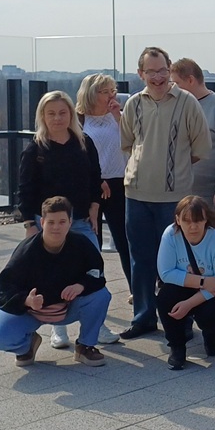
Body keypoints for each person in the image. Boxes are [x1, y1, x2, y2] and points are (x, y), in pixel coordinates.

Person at [119, 46, 211, 340]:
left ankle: (180, 321)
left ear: (170, 70)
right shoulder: (133, 104)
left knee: (177, 263)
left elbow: (201, 148)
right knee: (140, 260)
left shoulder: (187, 102)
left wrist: (174, 169)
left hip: (174, 199)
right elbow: (128, 143)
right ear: (140, 73)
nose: (157, 77)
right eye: (151, 71)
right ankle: (143, 317)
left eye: (162, 70)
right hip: (136, 195)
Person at [18, 90, 120, 347]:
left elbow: (95, 178)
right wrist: (30, 225)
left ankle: (96, 325)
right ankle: (59, 327)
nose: (57, 118)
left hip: (81, 221)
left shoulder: (84, 143)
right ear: (42, 116)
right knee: (52, 273)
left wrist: (95, 207)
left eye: (63, 112)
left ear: (71, 114)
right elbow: (25, 190)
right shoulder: (35, 149)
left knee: (93, 271)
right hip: (48, 225)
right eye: (51, 113)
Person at [0, 196, 111, 368]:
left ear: (70, 222)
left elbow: (97, 272)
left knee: (101, 295)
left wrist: (81, 285)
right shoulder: (26, 251)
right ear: (42, 222)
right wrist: (26, 300)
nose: (56, 227)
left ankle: (85, 346)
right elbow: (5, 289)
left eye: (62, 222)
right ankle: (26, 346)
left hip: (68, 308)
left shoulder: (81, 244)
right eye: (51, 222)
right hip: (32, 312)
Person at [156, 196, 215, 370]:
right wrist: (203, 281)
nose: (193, 227)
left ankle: (212, 333)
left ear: (206, 219)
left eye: (198, 220)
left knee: (212, 310)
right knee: (165, 297)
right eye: (187, 221)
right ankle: (177, 346)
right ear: (178, 220)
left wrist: (188, 304)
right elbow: (166, 273)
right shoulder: (170, 235)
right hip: (193, 285)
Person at [171, 57, 215, 241]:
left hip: (211, 195)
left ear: (190, 80)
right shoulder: (177, 108)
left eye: (176, 83)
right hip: (181, 192)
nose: (172, 88)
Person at [76, 74, 132, 287]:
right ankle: (93, 287)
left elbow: (134, 140)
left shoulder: (120, 116)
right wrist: (97, 179)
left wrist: (118, 116)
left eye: (113, 91)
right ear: (92, 94)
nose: (111, 96)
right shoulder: (79, 120)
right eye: (105, 92)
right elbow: (78, 156)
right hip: (93, 185)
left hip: (120, 183)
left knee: (125, 241)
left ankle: (136, 289)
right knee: (93, 239)